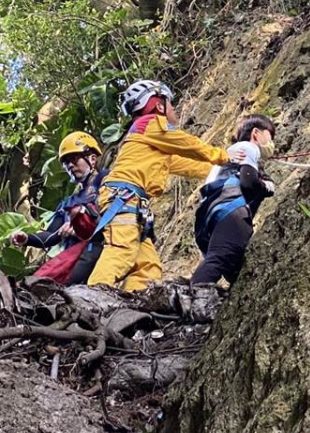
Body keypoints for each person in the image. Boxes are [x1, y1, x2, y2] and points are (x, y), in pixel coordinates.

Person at [87, 79, 231, 292]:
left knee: (147, 267)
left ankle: (128, 305)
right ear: (158, 104)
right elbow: (186, 144)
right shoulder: (150, 123)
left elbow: (185, 165)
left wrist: (223, 171)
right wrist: (224, 157)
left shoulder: (149, 144)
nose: (173, 109)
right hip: (125, 198)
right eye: (170, 103)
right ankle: (88, 301)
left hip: (130, 202)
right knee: (121, 251)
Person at [11, 131, 107, 285]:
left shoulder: (107, 181)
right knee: (38, 284)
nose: (70, 165)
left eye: (74, 159)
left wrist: (81, 224)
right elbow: (50, 236)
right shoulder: (68, 204)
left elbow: (118, 213)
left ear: (92, 159)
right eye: (66, 162)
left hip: (100, 250)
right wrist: (27, 238)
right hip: (73, 261)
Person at [191, 114, 276, 286]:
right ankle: (189, 300)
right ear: (256, 133)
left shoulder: (227, 156)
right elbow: (248, 182)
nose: (272, 141)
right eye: (270, 135)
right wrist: (266, 186)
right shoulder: (249, 147)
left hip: (208, 214)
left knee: (233, 268)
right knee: (220, 258)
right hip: (230, 208)